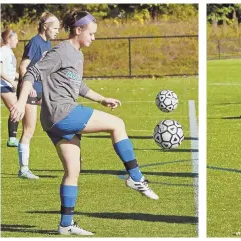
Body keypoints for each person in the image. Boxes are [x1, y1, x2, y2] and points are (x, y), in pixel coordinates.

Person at [10, 10, 159, 236]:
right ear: (78, 30)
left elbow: (77, 85)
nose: (94, 38)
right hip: (63, 113)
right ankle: (136, 178)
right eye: (91, 33)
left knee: (73, 171)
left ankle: (65, 224)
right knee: (117, 124)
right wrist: (21, 103)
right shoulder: (61, 51)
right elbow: (32, 72)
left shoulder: (77, 55)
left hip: (53, 121)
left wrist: (102, 99)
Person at [15, 12, 61, 179]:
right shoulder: (35, 42)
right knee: (29, 130)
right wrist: (29, 86)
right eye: (55, 28)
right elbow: (23, 66)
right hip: (30, 90)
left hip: (42, 89)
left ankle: (70, 153)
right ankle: (23, 169)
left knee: (58, 117)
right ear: (45, 26)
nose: (57, 31)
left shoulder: (47, 44)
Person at [1, 29, 20, 147]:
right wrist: (12, 82)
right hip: (3, 85)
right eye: (16, 38)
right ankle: (12, 139)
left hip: (8, 84)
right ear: (8, 39)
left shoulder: (9, 52)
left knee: (16, 110)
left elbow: (10, 71)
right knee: (16, 110)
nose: (17, 41)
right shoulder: (2, 51)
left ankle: (12, 139)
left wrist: (22, 77)